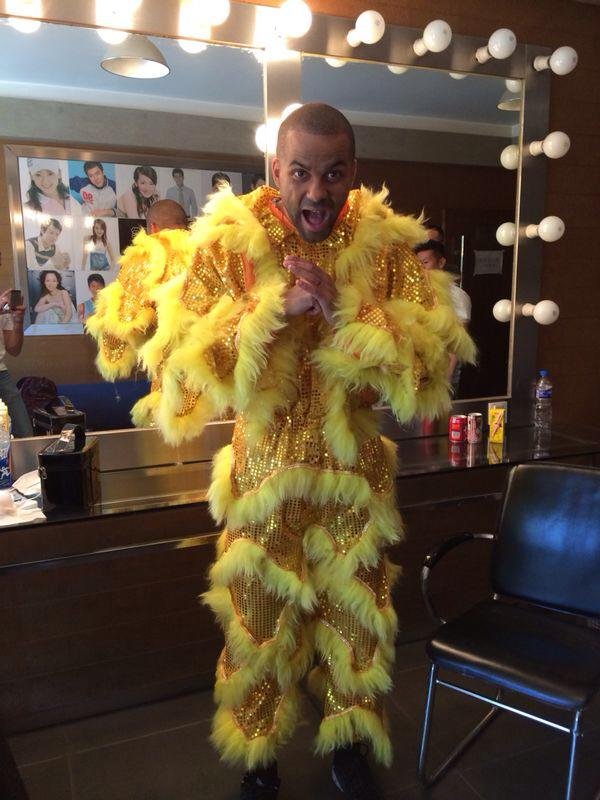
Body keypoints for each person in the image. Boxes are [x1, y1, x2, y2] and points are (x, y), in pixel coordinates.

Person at [93, 103, 475, 800]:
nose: (316, 192)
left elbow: (430, 363)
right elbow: (184, 361)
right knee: (257, 621)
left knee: (357, 620)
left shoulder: (387, 244)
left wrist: (348, 314)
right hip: (263, 471)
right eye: (300, 173)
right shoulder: (231, 241)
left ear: (353, 171)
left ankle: (349, 746)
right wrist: (269, 310)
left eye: (333, 174)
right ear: (275, 169)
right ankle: (259, 758)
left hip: (353, 473)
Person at [87, 199, 192, 391]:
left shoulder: (149, 255)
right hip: (223, 370)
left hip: (177, 372)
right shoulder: (210, 249)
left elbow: (122, 323)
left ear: (152, 227)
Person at [415, 240, 472, 394]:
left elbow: (458, 341)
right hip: (420, 374)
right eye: (417, 264)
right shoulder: (417, 293)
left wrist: (447, 378)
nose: (421, 269)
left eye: (425, 262)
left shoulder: (457, 296)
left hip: (443, 374)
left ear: (441, 262)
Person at [0, 289, 33, 437]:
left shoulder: (3, 305)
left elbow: (13, 349)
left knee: (24, 431)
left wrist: (18, 320)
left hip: (1, 373)